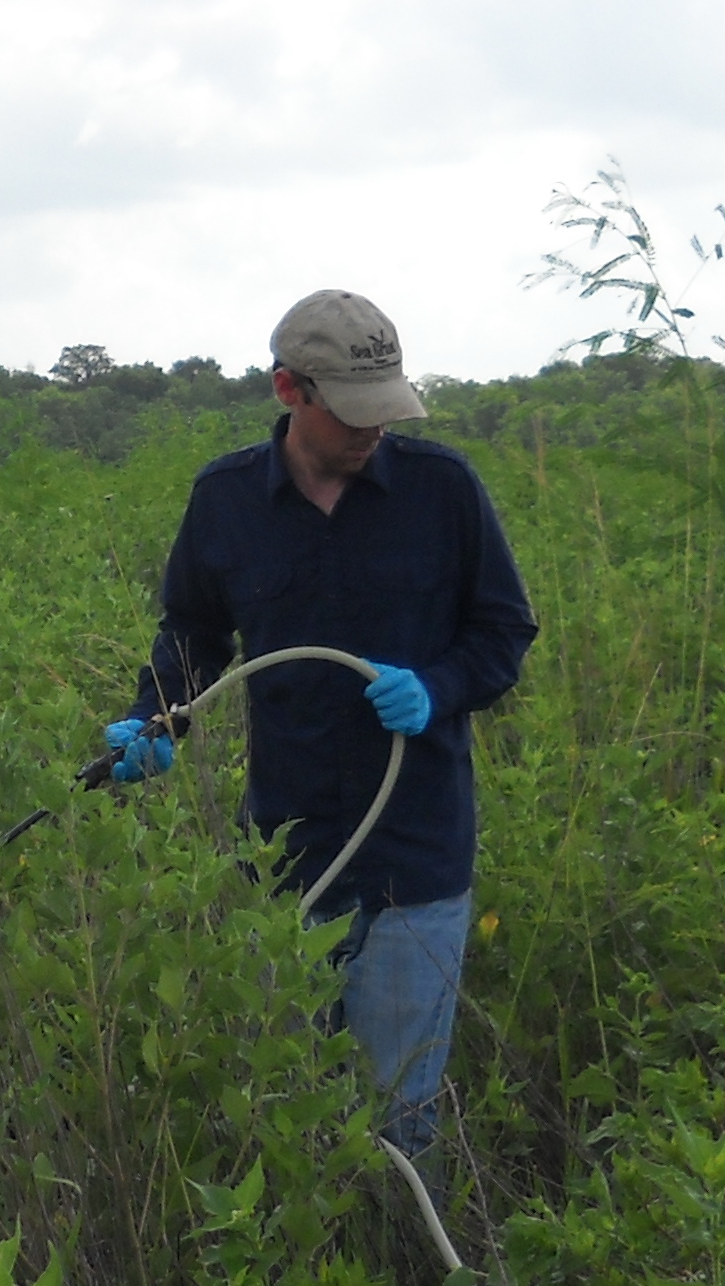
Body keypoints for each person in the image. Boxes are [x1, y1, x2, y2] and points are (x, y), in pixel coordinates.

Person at [102, 289, 538, 1157]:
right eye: (351, 411)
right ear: (289, 391)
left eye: (386, 408)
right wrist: (155, 720)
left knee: (400, 1118)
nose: (373, 428)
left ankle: (405, 1242)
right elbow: (193, 635)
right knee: (291, 1109)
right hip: (287, 856)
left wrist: (437, 687)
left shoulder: (443, 489)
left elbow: (503, 631)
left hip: (417, 855)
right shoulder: (226, 501)